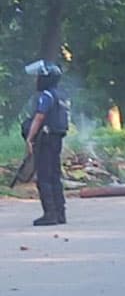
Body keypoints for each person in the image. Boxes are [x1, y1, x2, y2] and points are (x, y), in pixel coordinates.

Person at [23, 60, 70, 226]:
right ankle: (60, 213)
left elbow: (39, 117)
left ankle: (50, 214)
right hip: (57, 139)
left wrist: (29, 138)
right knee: (54, 175)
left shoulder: (46, 96)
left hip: (46, 139)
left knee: (44, 176)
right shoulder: (61, 95)